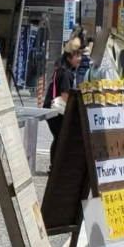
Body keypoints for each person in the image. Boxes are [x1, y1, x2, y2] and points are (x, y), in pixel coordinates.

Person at [43, 38, 83, 168]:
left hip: (51, 109)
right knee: (61, 137)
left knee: (59, 137)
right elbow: (65, 95)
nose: (80, 58)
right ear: (69, 57)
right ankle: (55, 165)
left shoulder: (62, 68)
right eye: (77, 55)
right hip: (55, 110)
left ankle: (56, 165)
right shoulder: (66, 72)